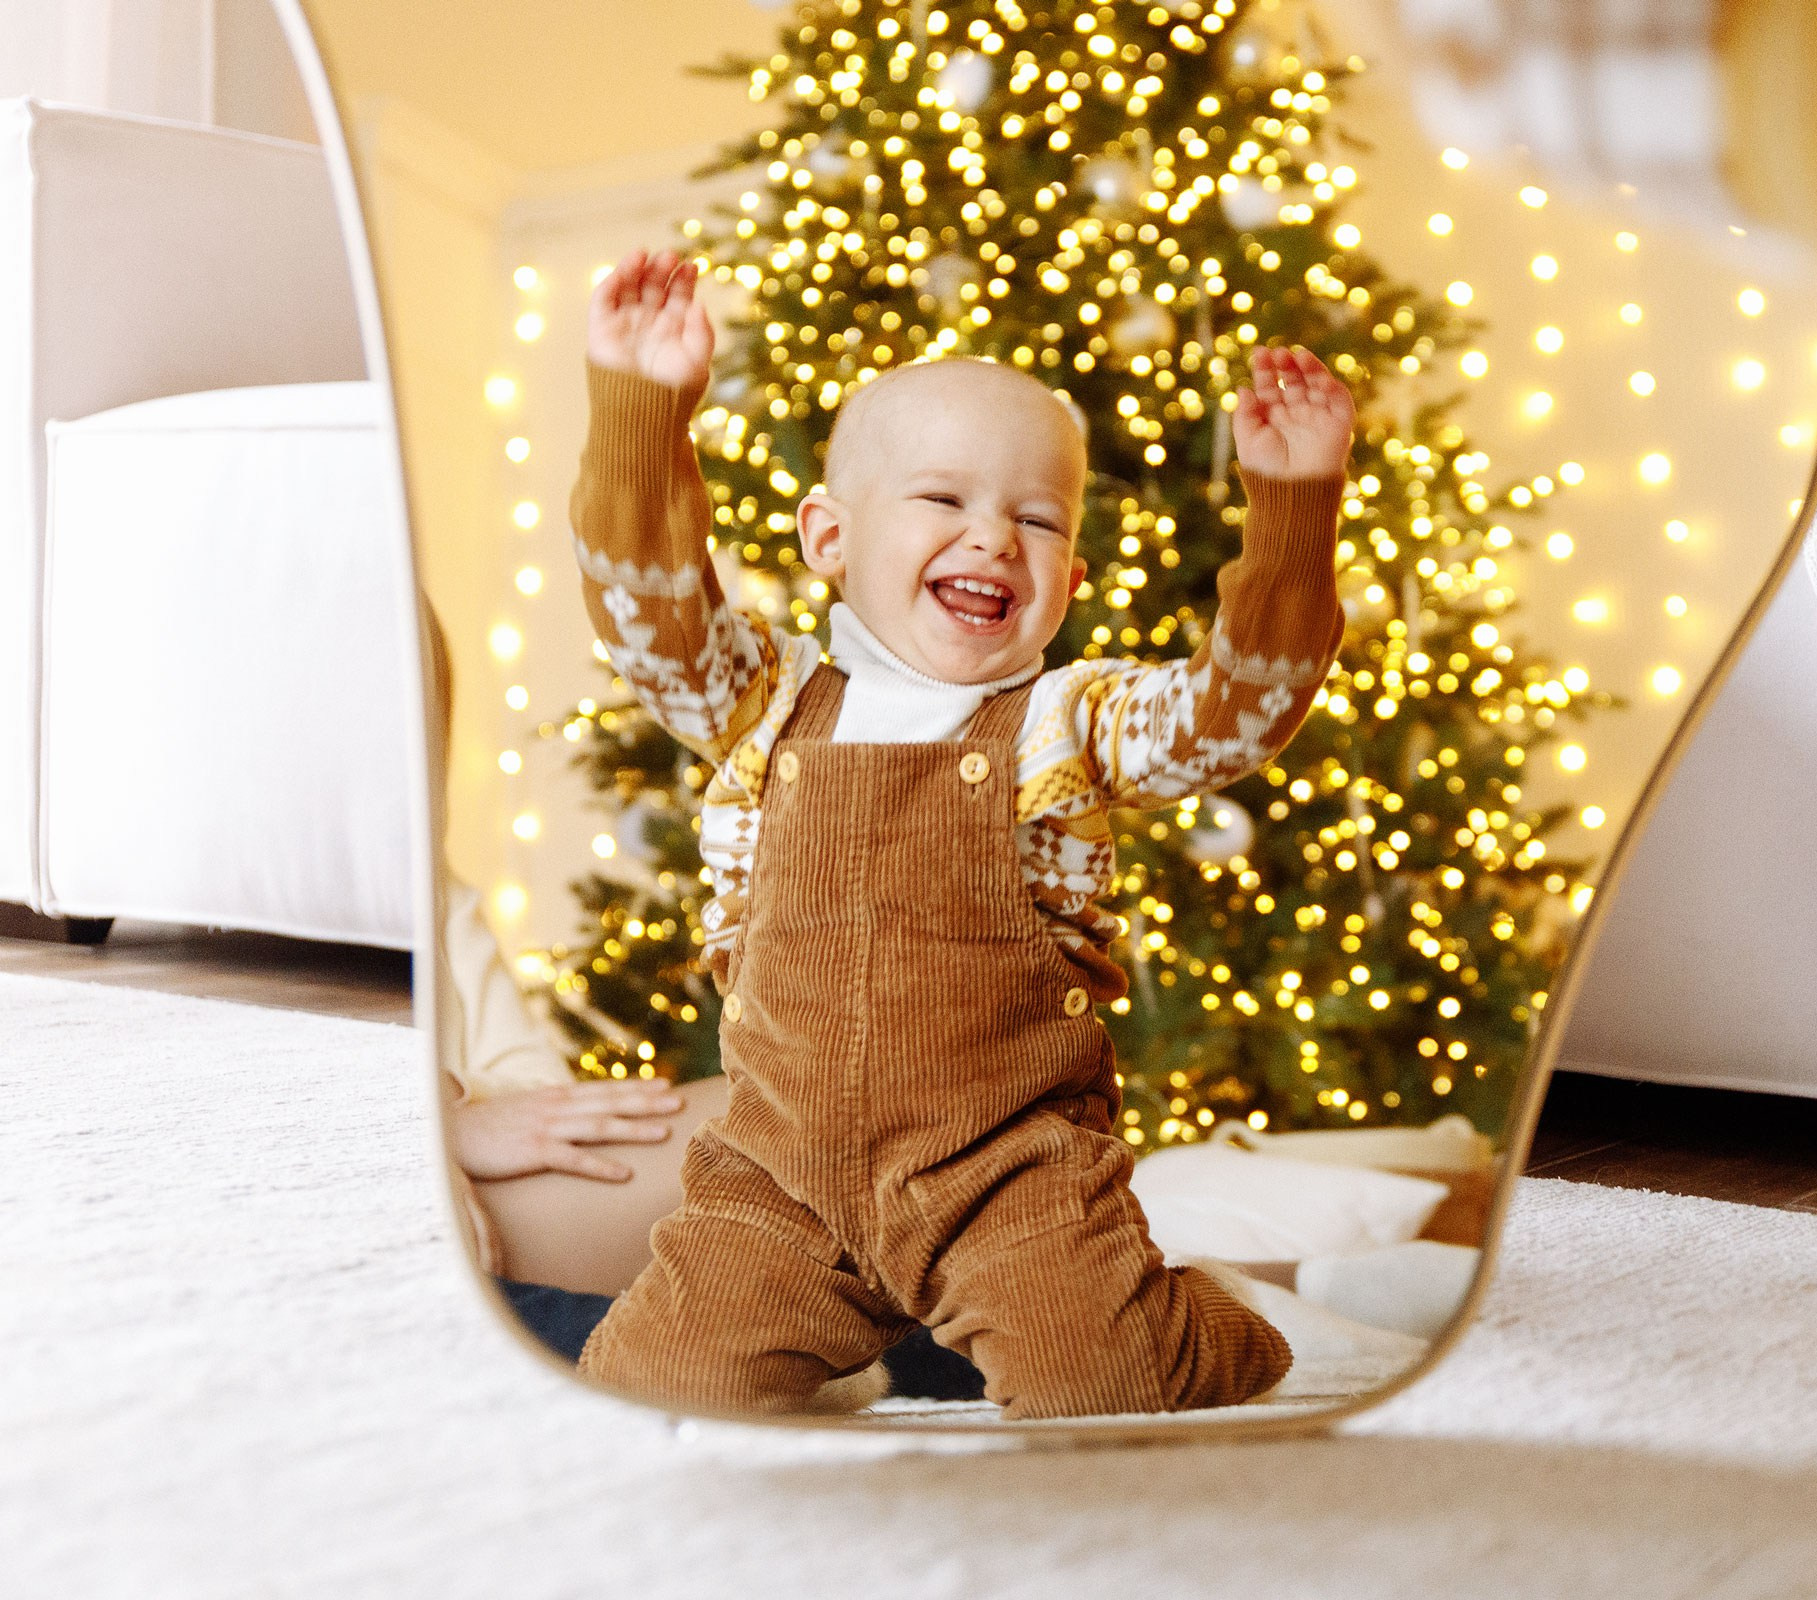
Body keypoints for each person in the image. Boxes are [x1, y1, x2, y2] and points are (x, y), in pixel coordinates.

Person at [566, 248, 1354, 1420]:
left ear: (1070, 577)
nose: (993, 538)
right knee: (650, 1387)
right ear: (828, 538)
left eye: (1036, 519)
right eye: (944, 499)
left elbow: (1234, 716)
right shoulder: (758, 699)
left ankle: (1197, 1329)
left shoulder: (1068, 722)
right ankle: (849, 1344)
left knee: (1103, 1384)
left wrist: (1293, 513)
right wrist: (644, 406)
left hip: (1009, 1165)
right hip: (780, 1174)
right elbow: (648, 603)